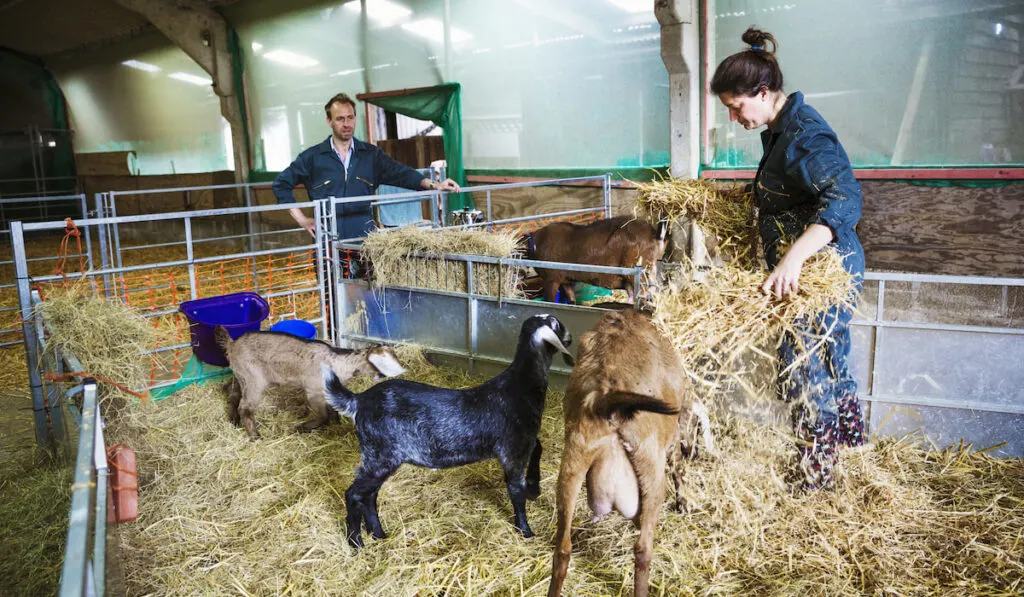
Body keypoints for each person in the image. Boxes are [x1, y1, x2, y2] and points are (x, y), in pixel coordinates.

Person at [711, 27, 866, 491]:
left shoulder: (804, 134)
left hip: (824, 268)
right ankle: (850, 453)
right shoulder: (779, 128)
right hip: (815, 268)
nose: (735, 117)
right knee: (829, 359)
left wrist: (792, 260)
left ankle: (815, 475)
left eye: (737, 106)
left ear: (762, 93)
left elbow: (845, 199)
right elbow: (792, 188)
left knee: (804, 366)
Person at [272, 92, 460, 240]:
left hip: (364, 239)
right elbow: (281, 184)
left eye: (350, 117)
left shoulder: (371, 155)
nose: (347, 124)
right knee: (331, 289)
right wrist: (303, 220)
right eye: (340, 119)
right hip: (327, 242)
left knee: (365, 289)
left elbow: (401, 173)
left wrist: (436, 185)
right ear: (329, 121)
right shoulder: (312, 157)